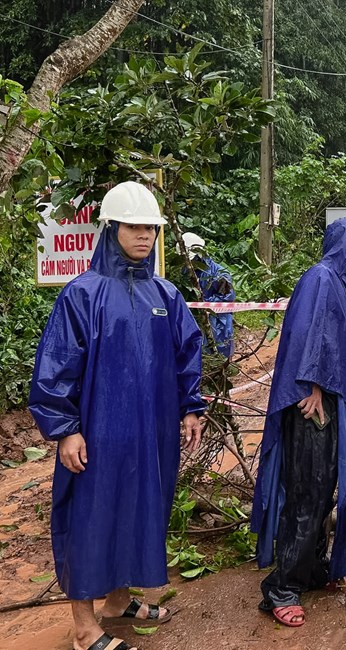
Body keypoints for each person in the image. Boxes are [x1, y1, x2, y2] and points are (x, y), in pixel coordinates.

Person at [29, 181, 204, 650]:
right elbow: (56, 367)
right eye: (134, 226)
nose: (144, 235)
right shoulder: (82, 295)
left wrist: (190, 408)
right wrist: (65, 430)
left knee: (142, 509)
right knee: (92, 516)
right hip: (99, 434)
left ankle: (118, 602)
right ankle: (85, 629)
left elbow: (188, 353)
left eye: (150, 228)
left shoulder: (165, 294)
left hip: (152, 433)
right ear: (111, 229)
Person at [250, 218, 346, 628]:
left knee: (324, 487)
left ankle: (312, 568)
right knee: (307, 493)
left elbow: (337, 340)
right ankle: (281, 588)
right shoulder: (320, 279)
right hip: (311, 405)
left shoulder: (337, 281)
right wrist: (312, 386)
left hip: (325, 401)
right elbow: (308, 337)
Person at [181, 232, 236, 358]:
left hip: (217, 321)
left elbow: (227, 297)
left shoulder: (220, 274)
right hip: (194, 320)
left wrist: (206, 303)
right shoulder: (186, 271)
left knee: (218, 352)